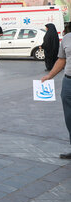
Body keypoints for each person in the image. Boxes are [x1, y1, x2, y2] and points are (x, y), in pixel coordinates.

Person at [41, 30, 71, 159]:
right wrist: (50, 75)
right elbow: (62, 59)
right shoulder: (67, 38)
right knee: (69, 118)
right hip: (68, 82)